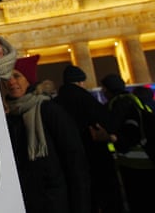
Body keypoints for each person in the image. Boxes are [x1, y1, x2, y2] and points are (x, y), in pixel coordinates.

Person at [2, 55, 90, 213]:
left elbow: (75, 162)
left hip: (54, 201)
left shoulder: (50, 110)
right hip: (24, 202)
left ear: (29, 79)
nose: (11, 82)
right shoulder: (9, 118)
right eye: (7, 77)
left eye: (17, 76)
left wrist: (80, 206)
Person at [101, 74, 155, 213]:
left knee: (140, 203)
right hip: (153, 158)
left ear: (107, 90)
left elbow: (127, 133)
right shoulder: (136, 100)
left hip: (134, 164)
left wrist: (110, 138)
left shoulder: (117, 105)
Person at [54, 65, 125, 213]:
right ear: (80, 82)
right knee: (107, 198)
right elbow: (107, 124)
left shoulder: (55, 103)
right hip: (95, 155)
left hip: (68, 159)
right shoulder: (86, 99)